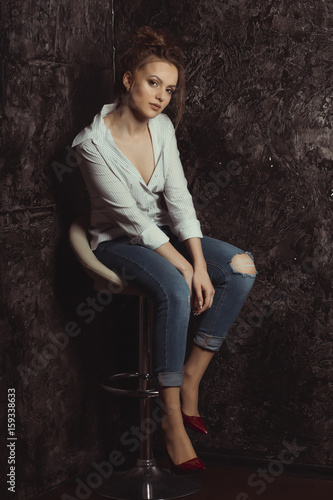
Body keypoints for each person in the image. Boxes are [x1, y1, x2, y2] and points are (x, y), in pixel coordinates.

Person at [72, 26, 256, 472]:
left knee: (240, 267)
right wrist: (187, 271)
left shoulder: (163, 128)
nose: (161, 97)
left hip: (163, 239)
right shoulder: (90, 144)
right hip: (116, 243)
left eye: (169, 89)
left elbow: (178, 200)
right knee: (175, 286)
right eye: (153, 83)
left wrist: (197, 260)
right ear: (128, 78)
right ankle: (171, 420)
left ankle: (190, 378)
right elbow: (133, 224)